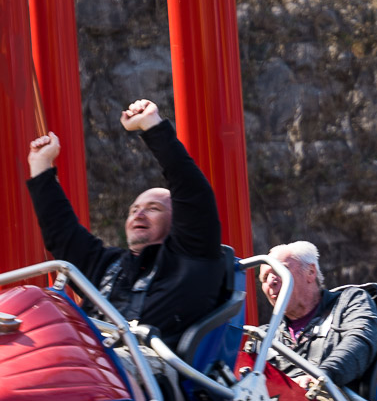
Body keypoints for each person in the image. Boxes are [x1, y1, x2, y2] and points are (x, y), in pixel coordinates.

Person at [26, 99, 232, 342]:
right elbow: (61, 232)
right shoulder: (106, 265)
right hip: (89, 366)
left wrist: (152, 126)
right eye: (134, 210)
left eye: (153, 208)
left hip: (150, 375)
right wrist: (40, 167)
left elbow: (192, 192)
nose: (139, 214)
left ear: (179, 222)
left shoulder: (191, 257)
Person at [258, 240, 377, 391]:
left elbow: (360, 339)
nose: (271, 282)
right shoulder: (262, 337)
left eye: (280, 271)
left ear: (310, 272)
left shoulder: (350, 302)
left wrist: (323, 376)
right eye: (265, 278)